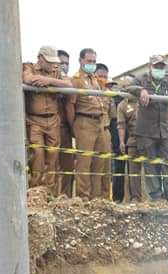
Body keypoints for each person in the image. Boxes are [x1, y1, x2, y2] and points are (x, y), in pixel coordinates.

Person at [124, 54, 168, 204]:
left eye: (161, 66)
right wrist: (141, 91)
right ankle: (156, 197)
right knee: (150, 165)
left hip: (165, 130)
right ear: (150, 66)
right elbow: (127, 87)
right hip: (146, 131)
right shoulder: (142, 79)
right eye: (156, 66)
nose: (159, 69)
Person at [22, 46, 72, 189]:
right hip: (34, 119)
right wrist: (36, 79)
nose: (52, 65)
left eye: (53, 62)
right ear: (40, 58)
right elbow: (27, 78)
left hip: (53, 119)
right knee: (37, 154)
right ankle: (35, 188)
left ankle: (49, 190)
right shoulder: (29, 67)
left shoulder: (56, 71)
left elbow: (68, 84)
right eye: (48, 61)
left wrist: (48, 81)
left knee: (53, 155)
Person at [65, 48, 107, 199]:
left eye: (94, 61)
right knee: (84, 162)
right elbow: (70, 105)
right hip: (84, 121)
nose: (92, 64)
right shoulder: (75, 79)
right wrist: (74, 127)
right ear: (81, 61)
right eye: (89, 61)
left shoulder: (95, 79)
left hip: (99, 122)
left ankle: (95, 198)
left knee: (99, 162)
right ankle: (83, 197)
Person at [116, 80, 145, 203]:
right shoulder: (122, 105)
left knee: (152, 169)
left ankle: (153, 198)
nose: (128, 89)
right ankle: (135, 198)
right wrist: (122, 141)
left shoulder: (144, 98)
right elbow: (121, 125)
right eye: (125, 87)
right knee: (133, 171)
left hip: (149, 138)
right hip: (133, 139)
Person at [94, 63, 115, 200]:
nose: (102, 79)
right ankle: (95, 198)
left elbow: (113, 115)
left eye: (105, 76)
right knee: (96, 165)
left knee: (107, 167)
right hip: (94, 129)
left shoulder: (108, 94)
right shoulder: (91, 92)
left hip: (106, 130)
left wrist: (110, 97)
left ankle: (106, 198)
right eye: (100, 76)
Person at [57, 50, 75, 197]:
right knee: (49, 164)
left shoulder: (70, 81)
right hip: (48, 124)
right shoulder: (43, 79)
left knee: (68, 165)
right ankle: (49, 197)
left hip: (66, 127)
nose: (64, 66)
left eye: (66, 63)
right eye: (61, 63)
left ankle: (66, 197)